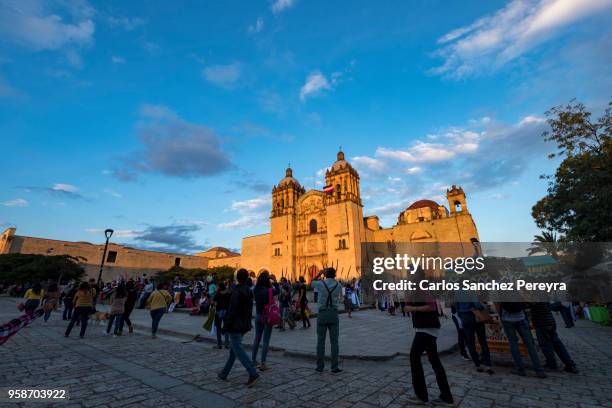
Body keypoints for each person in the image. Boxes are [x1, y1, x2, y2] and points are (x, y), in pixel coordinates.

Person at [404, 287, 454, 405]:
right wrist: (408, 297)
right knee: (434, 361)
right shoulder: (416, 291)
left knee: (414, 357)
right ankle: (446, 396)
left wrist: (413, 307)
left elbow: (431, 306)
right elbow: (407, 306)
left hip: (426, 329)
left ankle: (421, 396)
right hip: (425, 328)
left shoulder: (422, 290)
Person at [218, 268, 259, 387]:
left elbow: (232, 310)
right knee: (234, 350)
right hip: (244, 323)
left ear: (237, 278)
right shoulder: (249, 291)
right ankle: (224, 373)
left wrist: (226, 326)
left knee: (238, 349)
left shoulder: (236, 291)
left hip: (235, 324)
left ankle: (253, 373)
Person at [498, 302, 546, 378]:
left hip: (507, 319)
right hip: (521, 318)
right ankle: (539, 370)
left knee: (513, 344)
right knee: (530, 345)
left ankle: (520, 369)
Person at [529, 302, 578, 373]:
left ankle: (552, 364)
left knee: (545, 345)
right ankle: (570, 364)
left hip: (542, 323)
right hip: (550, 321)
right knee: (557, 344)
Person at [311, 268, 343, 373]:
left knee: (320, 341)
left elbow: (311, 282)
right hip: (333, 313)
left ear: (325, 274)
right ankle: (334, 367)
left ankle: (320, 366)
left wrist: (319, 274)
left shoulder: (321, 284)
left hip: (322, 313)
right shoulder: (338, 285)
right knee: (334, 342)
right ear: (335, 275)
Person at [456, 296, 494, 374]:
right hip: (476, 317)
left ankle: (478, 365)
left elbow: (457, 308)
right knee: (483, 341)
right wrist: (483, 306)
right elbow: (477, 305)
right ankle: (488, 365)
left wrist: (462, 316)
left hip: (465, 318)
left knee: (470, 342)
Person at [251, 270, 278, 371]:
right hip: (267, 316)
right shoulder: (269, 290)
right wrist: (274, 280)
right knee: (265, 340)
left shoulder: (255, 289)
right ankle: (263, 363)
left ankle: (253, 360)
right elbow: (278, 290)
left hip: (258, 315)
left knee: (257, 338)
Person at [213, 281, 231, 349]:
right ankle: (227, 344)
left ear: (220, 287)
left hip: (219, 311)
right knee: (226, 328)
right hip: (226, 311)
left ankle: (219, 344)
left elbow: (213, 302)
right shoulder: (229, 293)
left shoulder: (218, 294)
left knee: (218, 328)